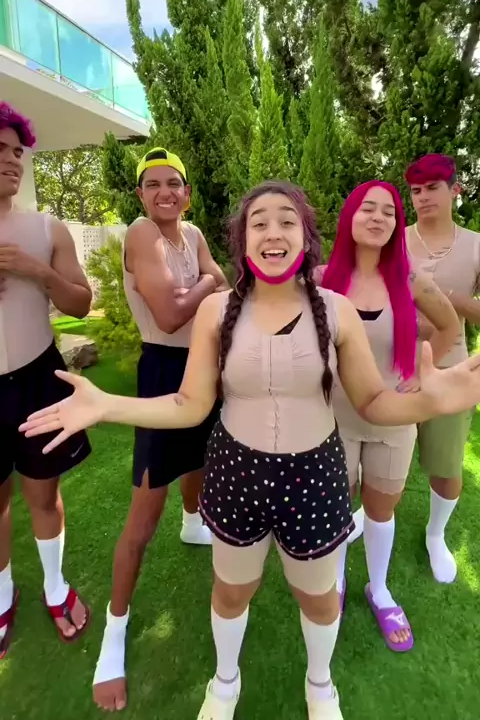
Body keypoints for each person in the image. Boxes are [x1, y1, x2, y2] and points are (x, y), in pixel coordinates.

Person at [20, 181, 480, 720]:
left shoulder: (336, 311)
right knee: (231, 592)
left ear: (305, 238)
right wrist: (107, 406)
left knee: (318, 598)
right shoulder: (216, 311)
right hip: (237, 474)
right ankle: (225, 682)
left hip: (314, 477)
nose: (273, 232)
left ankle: (320, 685)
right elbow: (190, 405)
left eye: (287, 221)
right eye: (259, 223)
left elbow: (374, 402)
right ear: (243, 241)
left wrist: (429, 401)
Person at [91, 147, 228, 711]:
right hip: (164, 369)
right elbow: (170, 317)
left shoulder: (191, 233)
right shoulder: (141, 233)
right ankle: (114, 633)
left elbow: (220, 278)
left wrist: (202, 284)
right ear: (140, 194)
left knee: (203, 456)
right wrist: (205, 286)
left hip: (204, 362)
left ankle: (194, 524)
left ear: (187, 194)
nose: (165, 192)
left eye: (174, 183)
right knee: (144, 514)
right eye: (153, 184)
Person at [315, 181, 459, 652]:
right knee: (337, 511)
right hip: (332, 419)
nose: (378, 218)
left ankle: (378, 590)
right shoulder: (321, 280)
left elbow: (449, 325)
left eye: (389, 212)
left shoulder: (410, 279)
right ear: (350, 217)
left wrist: (417, 375)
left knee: (380, 511)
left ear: (397, 224)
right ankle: (335, 583)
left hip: (393, 420)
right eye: (367, 209)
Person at [0, 102, 92, 659]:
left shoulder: (45, 229)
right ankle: (2, 595)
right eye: (0, 150)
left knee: (43, 494)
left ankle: (55, 588)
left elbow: (80, 302)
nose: (13, 160)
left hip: (36, 379)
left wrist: (35, 271)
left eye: (17, 152)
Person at [405, 153, 480, 584]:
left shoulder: (474, 245)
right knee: (374, 455)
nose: (423, 197)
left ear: (455, 190)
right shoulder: (395, 240)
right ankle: (370, 513)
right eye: (416, 190)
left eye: (433, 187)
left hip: (451, 368)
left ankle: (436, 533)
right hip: (392, 362)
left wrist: (448, 299)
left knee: (447, 465)